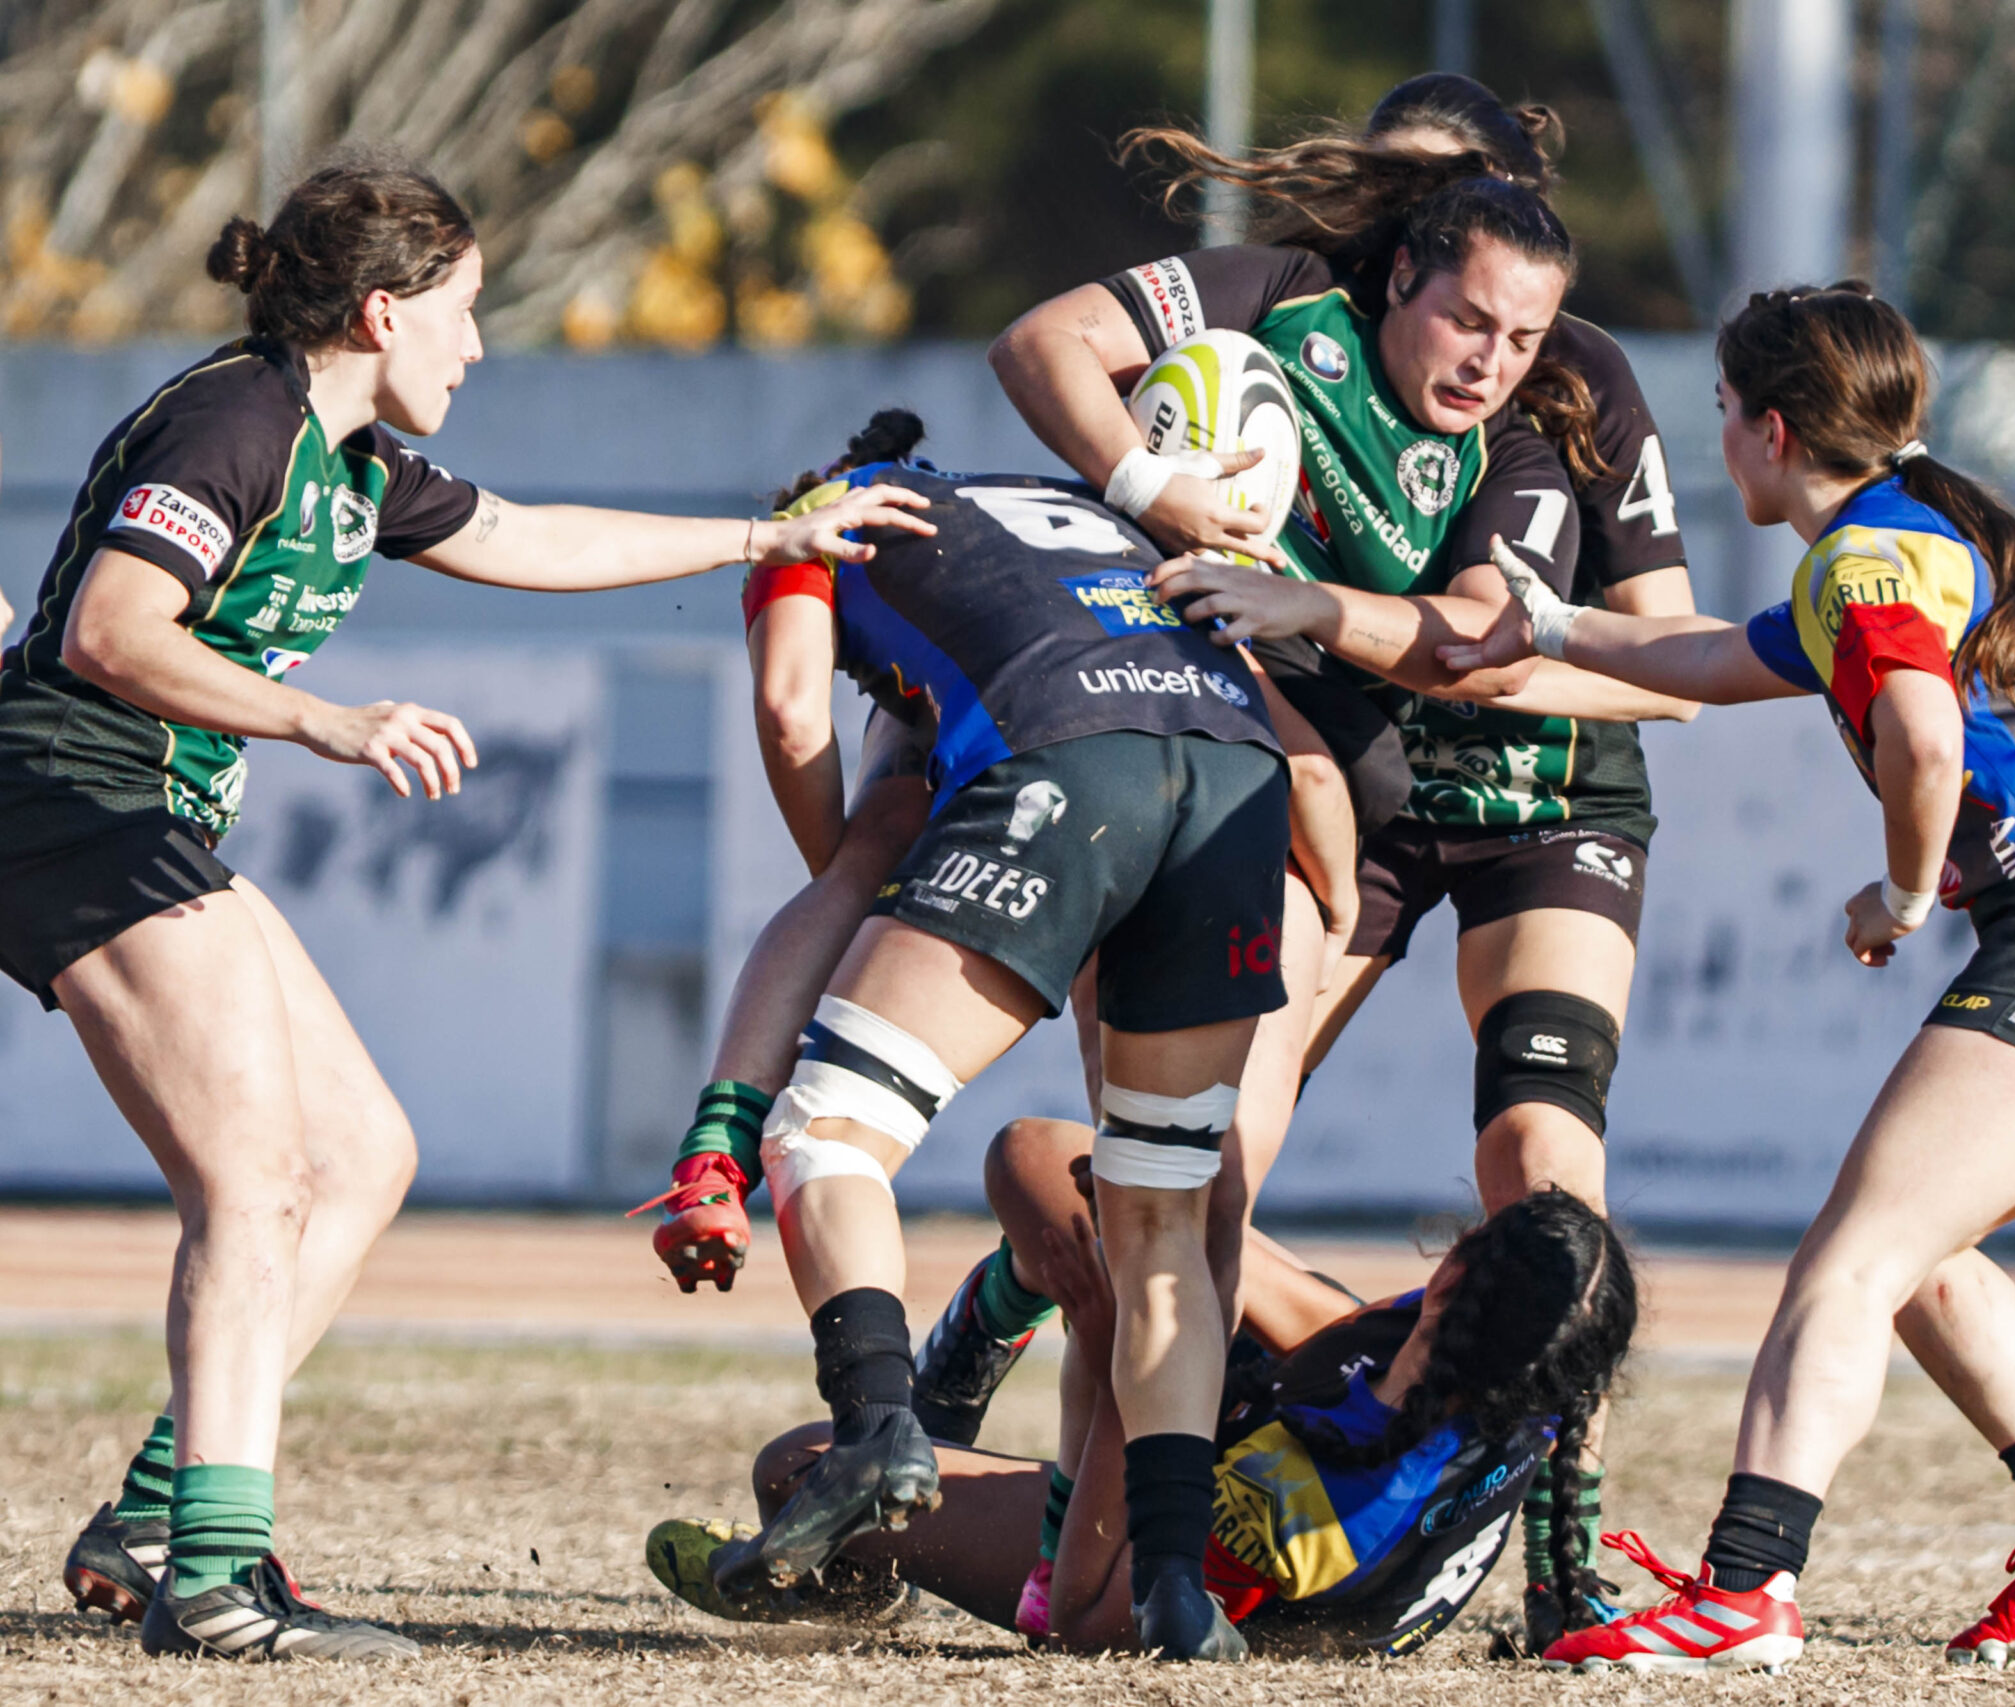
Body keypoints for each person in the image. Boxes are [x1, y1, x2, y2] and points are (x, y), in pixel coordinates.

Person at [14, 156, 927, 1662]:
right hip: (67, 805)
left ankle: (158, 1512)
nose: (479, 345)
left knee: (364, 1150)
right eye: (465, 310)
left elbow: (524, 536)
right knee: (253, 1179)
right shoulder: (239, 421)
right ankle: (216, 1578)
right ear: (382, 309)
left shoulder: (355, 457)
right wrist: (327, 721)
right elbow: (116, 629)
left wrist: (760, 540)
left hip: (141, 814)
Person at [1440, 282, 2015, 1673]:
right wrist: (1547, 626)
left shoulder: (1864, 563)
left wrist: (1899, 889)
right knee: (1920, 1246)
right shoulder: (1914, 528)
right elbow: (1702, 658)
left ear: (1773, 429)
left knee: (1848, 1253)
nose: (1718, 437)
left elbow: (1925, 741)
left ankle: (1746, 1585)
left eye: (1722, 412)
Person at [1100, 83, 1702, 1647]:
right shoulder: (1297, 356)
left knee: (1540, 1162)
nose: (1416, 246)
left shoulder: (1572, 373)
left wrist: (1409, 638)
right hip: (1367, 797)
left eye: (1456, 203)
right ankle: (1137, 1492)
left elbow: (1661, 649)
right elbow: (1066, 370)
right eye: (1400, 211)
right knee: (1205, 1133)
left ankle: (1561, 1550)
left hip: (1550, 807)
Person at [688, 413, 1294, 1662]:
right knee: (1163, 1213)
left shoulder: (827, 523)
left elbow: (793, 703)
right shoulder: (1067, 519)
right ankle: (1174, 1591)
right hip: (1241, 774)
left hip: (1072, 763)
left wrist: (844, 870)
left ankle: (873, 1427)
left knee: (832, 1134)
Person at [646, 1132, 1636, 1659]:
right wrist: (1159, 1225)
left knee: (797, 1470)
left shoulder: (1311, 1516)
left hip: (1188, 1567)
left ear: (1458, 1273)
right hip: (1274, 1462)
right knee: (1050, 1164)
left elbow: (1078, 1612)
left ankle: (865, 1583)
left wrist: (1128, 1353)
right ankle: (968, 1364)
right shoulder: (1509, 1370)